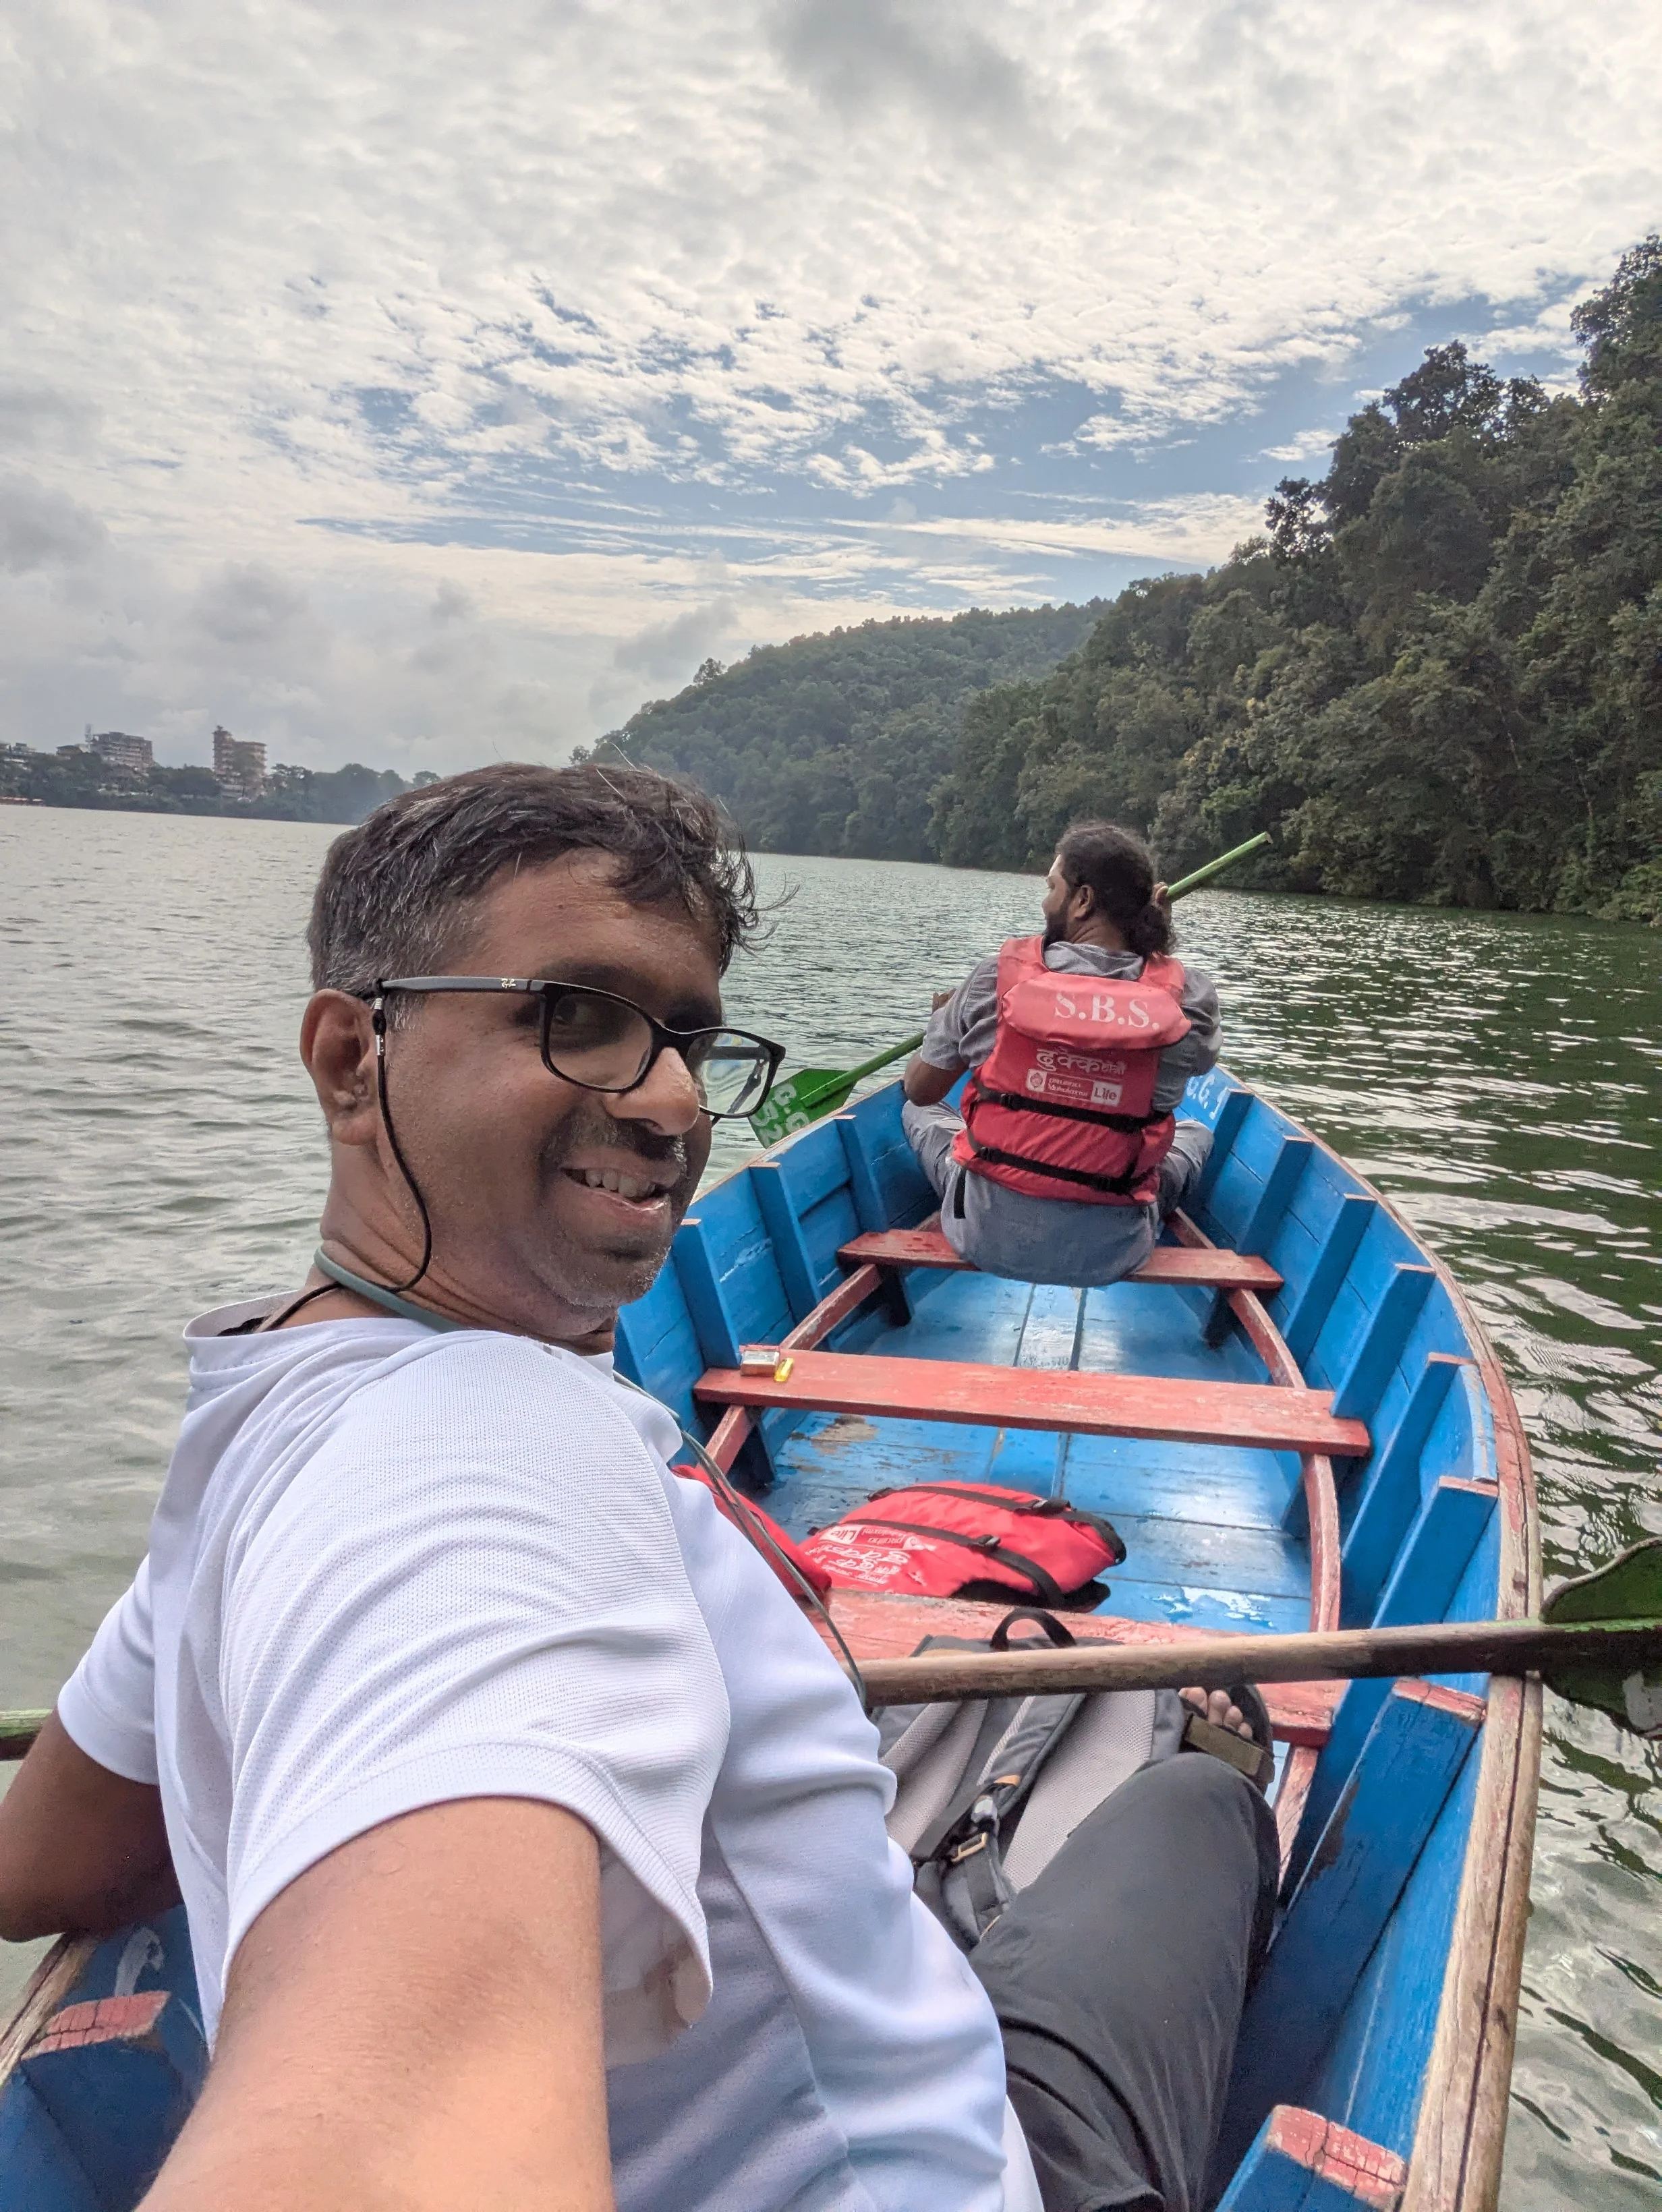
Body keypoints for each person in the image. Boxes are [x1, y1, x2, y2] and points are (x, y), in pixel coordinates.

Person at [0, 764, 1275, 2212]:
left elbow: (39, 1860)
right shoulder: (490, 1451)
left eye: (686, 1037)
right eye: (579, 1016)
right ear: (353, 1057)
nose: (672, 1098)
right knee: (1192, 1805)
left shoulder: (256, 1426)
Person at [902, 821, 1222, 1287]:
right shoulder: (1189, 997)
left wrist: (945, 1018)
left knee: (919, 1114)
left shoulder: (994, 978)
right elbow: (1202, 1063)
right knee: (1197, 1134)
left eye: (1052, 886)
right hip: (1114, 1252)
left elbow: (921, 1088)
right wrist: (1153, 940)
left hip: (984, 1237)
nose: (1044, 901)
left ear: (1083, 900)